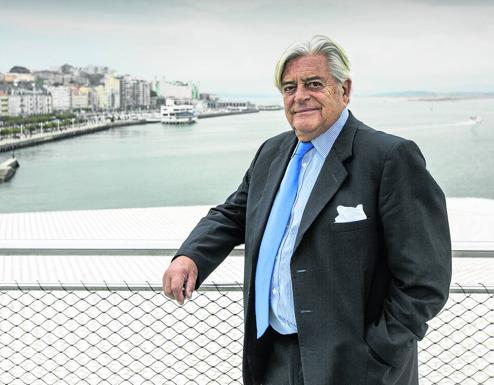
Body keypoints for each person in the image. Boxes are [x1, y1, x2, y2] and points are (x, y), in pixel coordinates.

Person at [162, 35, 451, 385]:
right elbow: (234, 214)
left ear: (344, 90)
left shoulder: (389, 158)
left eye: (314, 84)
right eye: (289, 87)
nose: (299, 96)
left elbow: (425, 280)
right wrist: (190, 256)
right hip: (273, 358)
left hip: (354, 367)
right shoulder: (271, 152)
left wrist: (376, 354)